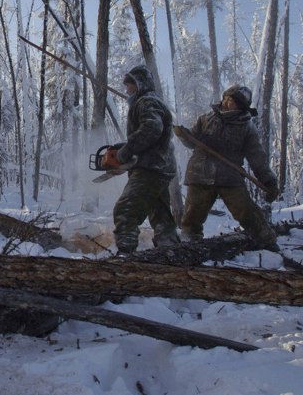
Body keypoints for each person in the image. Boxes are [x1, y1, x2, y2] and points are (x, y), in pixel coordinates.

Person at [175, 85, 280, 249]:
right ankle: (189, 245)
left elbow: (257, 157)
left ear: (240, 106)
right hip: (200, 173)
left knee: (246, 211)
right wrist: (184, 135)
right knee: (192, 216)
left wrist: (268, 181)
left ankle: (267, 242)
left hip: (229, 177)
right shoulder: (206, 119)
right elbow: (192, 142)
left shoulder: (246, 127)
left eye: (231, 101)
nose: (225, 102)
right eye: (225, 98)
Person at [104, 65, 179, 255]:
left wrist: (126, 151)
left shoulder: (147, 101)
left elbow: (152, 129)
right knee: (160, 214)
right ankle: (170, 251)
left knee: (126, 210)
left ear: (140, 84)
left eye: (130, 85)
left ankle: (126, 255)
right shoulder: (150, 101)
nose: (127, 89)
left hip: (151, 168)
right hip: (160, 166)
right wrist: (128, 153)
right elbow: (150, 135)